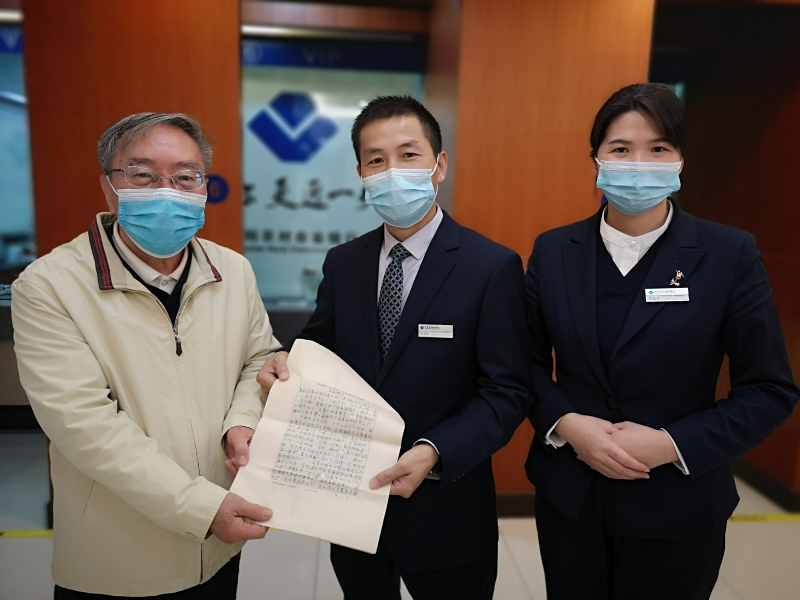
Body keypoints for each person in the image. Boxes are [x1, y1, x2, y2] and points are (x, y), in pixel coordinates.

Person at [524, 83, 800, 600]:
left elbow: (769, 390)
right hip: (571, 495)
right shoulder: (554, 250)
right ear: (596, 158)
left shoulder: (729, 254)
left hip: (679, 502)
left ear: (680, 161)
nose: (638, 164)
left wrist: (672, 444)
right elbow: (525, 364)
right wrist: (567, 424)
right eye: (620, 148)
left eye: (658, 148)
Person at [251, 96, 532, 599]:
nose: (392, 171)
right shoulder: (344, 262)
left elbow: (507, 391)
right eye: (376, 160)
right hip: (351, 509)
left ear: (439, 165)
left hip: (446, 509)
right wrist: (287, 359)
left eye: (408, 155)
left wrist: (435, 452)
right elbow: (321, 343)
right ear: (361, 172)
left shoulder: (490, 266)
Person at [12, 113, 280, 599]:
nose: (166, 191)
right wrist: (200, 509)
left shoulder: (232, 270)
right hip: (118, 557)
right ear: (109, 187)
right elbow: (83, 424)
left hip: (219, 545)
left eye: (185, 177)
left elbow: (258, 358)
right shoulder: (49, 285)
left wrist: (241, 421)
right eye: (142, 175)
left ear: (204, 187)